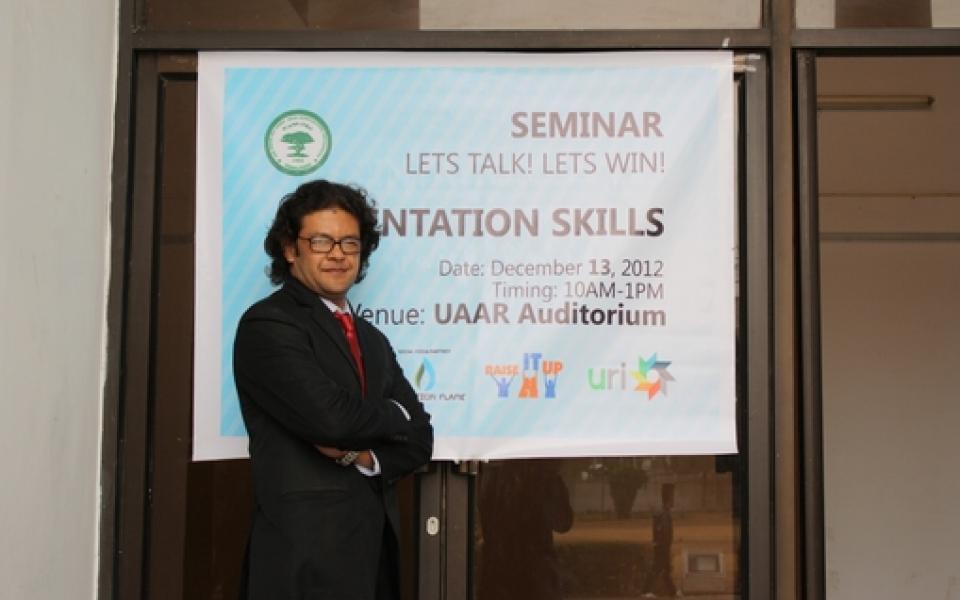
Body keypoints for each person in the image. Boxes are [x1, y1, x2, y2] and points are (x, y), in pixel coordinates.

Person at [233, 179, 434, 600]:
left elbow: (420, 440)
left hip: (373, 559)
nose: (339, 254)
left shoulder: (371, 338)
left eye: (350, 243)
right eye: (322, 241)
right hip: (303, 564)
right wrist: (393, 415)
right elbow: (332, 420)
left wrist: (360, 456)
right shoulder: (269, 325)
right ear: (291, 249)